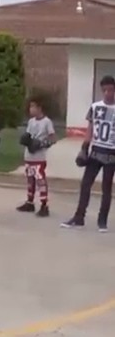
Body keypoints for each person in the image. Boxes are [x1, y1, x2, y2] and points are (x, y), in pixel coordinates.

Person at [61, 75, 115, 232]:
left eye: (110, 90)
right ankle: (79, 218)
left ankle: (102, 221)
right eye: (104, 90)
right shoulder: (95, 107)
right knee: (85, 185)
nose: (107, 93)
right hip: (96, 150)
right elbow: (90, 127)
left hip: (112, 152)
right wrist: (85, 146)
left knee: (106, 187)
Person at [16, 97, 56, 217]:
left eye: (33, 107)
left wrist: (42, 144)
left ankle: (44, 205)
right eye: (30, 106)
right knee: (30, 180)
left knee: (40, 180)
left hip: (39, 158)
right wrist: (26, 140)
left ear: (39, 108)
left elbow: (53, 138)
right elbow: (28, 135)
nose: (31, 109)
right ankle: (30, 202)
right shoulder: (31, 121)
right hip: (29, 156)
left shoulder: (47, 122)